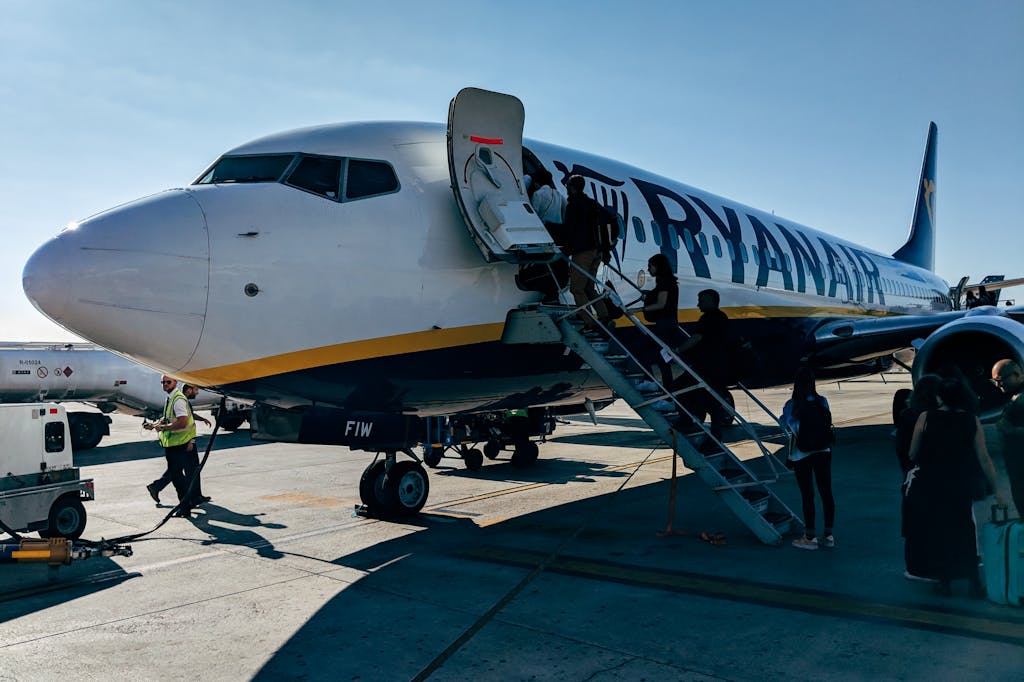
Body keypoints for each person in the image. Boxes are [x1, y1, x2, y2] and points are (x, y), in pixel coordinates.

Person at [905, 375, 1002, 596]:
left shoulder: (926, 417)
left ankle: (944, 581)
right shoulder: (970, 420)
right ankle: (974, 582)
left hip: (933, 483)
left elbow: (912, 452)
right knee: (965, 530)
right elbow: (984, 457)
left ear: (940, 396)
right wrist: (996, 489)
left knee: (939, 531)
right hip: (960, 483)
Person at [782, 367, 836, 550]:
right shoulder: (823, 401)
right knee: (826, 492)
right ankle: (828, 535)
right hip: (823, 451)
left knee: (808, 495)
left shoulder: (792, 405)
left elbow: (790, 430)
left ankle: (810, 537)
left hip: (802, 454)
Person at [894, 374, 941, 580]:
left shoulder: (908, 416)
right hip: (940, 477)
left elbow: (906, 452)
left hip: (915, 475)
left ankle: (915, 568)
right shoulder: (945, 416)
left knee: (914, 525)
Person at [673, 289, 731, 439]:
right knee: (712, 400)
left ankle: (689, 419)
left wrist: (678, 350)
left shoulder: (708, 318)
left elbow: (697, 337)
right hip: (719, 365)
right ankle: (713, 433)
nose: (698, 304)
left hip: (706, 366)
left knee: (678, 388)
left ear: (712, 301)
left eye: (702, 301)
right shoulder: (722, 317)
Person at [562, 174, 613, 328]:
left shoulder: (574, 205)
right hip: (597, 252)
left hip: (583, 252)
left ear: (571, 187)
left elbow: (569, 230)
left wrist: (565, 250)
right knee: (589, 287)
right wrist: (606, 250)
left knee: (576, 288)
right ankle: (605, 316)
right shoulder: (593, 204)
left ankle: (589, 321)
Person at [143, 375, 196, 517]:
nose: (165, 384)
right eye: (163, 382)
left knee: (177, 477)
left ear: (175, 382)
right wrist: (154, 425)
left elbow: (183, 422)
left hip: (179, 444)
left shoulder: (177, 400)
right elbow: (168, 418)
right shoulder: (170, 398)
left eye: (168, 382)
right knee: (177, 475)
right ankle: (186, 503)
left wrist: (164, 428)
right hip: (174, 443)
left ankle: (185, 507)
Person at [636, 253, 684, 386]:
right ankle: (668, 388)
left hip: (664, 324)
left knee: (640, 349)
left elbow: (661, 304)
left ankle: (649, 380)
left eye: (650, 266)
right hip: (670, 323)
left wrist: (638, 310)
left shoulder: (664, 282)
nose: (648, 269)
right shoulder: (668, 282)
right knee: (662, 359)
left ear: (658, 266)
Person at [992, 359, 1024, 515]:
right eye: (995, 381)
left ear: (1016, 374)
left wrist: (1012, 430)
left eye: (1000, 380)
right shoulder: (1017, 396)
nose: (998, 385)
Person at [181, 384, 212, 506]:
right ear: (189, 390)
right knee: (190, 470)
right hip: (186, 442)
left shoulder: (184, 402)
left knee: (193, 469)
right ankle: (192, 497)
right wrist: (190, 441)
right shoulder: (182, 402)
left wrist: (202, 418)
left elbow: (190, 415)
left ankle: (196, 496)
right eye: (195, 390)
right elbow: (184, 423)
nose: (197, 393)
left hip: (187, 441)